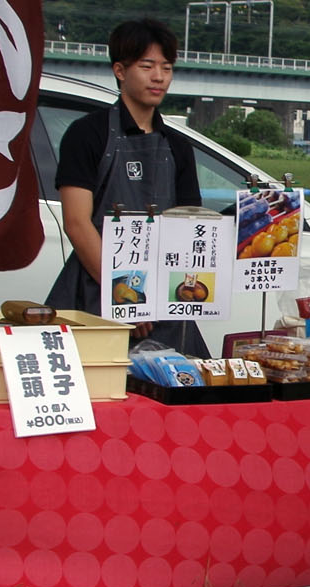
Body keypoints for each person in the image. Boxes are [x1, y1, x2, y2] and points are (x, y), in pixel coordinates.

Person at [46, 18, 206, 355]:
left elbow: (188, 228)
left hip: (165, 302)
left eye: (166, 67)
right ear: (120, 70)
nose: (159, 76)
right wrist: (125, 297)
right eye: (147, 66)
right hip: (98, 289)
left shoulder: (178, 145)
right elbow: (77, 222)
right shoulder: (87, 134)